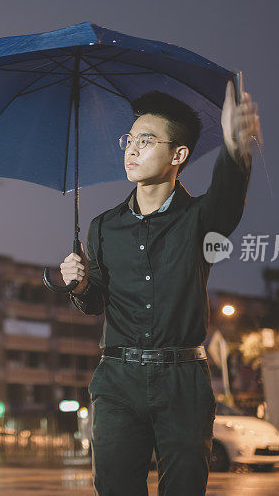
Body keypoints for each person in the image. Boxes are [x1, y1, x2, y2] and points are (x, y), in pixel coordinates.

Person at [59, 80, 260, 495]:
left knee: (184, 487)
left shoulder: (201, 218)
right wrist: (78, 285)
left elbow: (227, 194)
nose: (131, 150)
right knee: (114, 486)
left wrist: (234, 147)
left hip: (182, 377)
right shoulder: (103, 226)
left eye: (146, 141)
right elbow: (96, 301)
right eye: (128, 139)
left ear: (178, 154)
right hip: (116, 377)